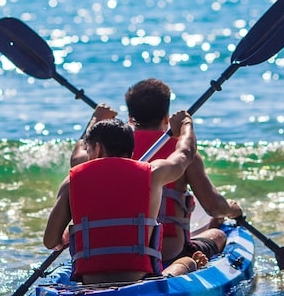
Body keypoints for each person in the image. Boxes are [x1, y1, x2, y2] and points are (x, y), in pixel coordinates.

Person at [43, 112, 202, 284]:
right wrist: (186, 124)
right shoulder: (153, 174)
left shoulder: (71, 182)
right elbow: (185, 153)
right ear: (131, 151)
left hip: (90, 283)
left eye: (88, 150)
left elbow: (50, 241)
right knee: (188, 262)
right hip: (138, 282)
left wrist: (64, 238)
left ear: (97, 148)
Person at [116, 78, 243, 266]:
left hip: (126, 251)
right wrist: (233, 210)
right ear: (167, 118)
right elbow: (213, 206)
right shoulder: (180, 153)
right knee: (218, 234)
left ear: (130, 117)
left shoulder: (116, 150)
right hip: (171, 253)